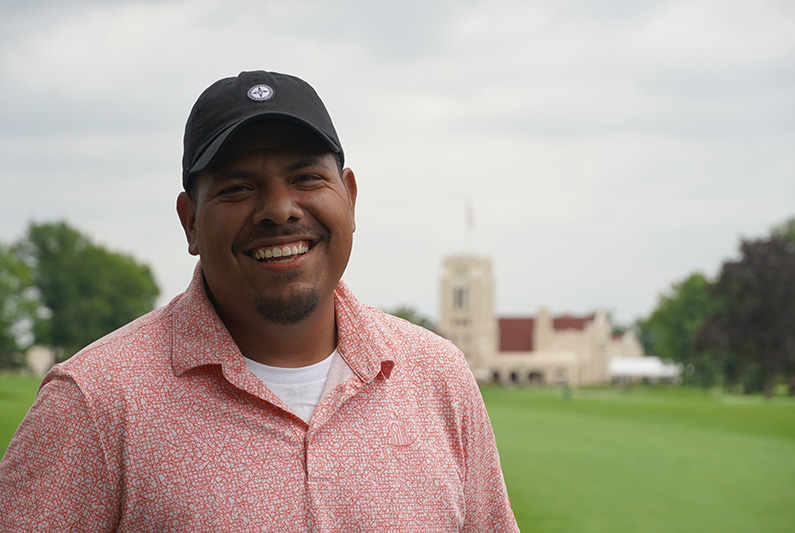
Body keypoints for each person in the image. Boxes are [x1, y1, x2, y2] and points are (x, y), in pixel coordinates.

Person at [0, 70, 519, 532]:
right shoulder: (94, 401)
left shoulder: (437, 377)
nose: (279, 209)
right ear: (190, 222)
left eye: (306, 178)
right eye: (238, 187)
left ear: (350, 197)